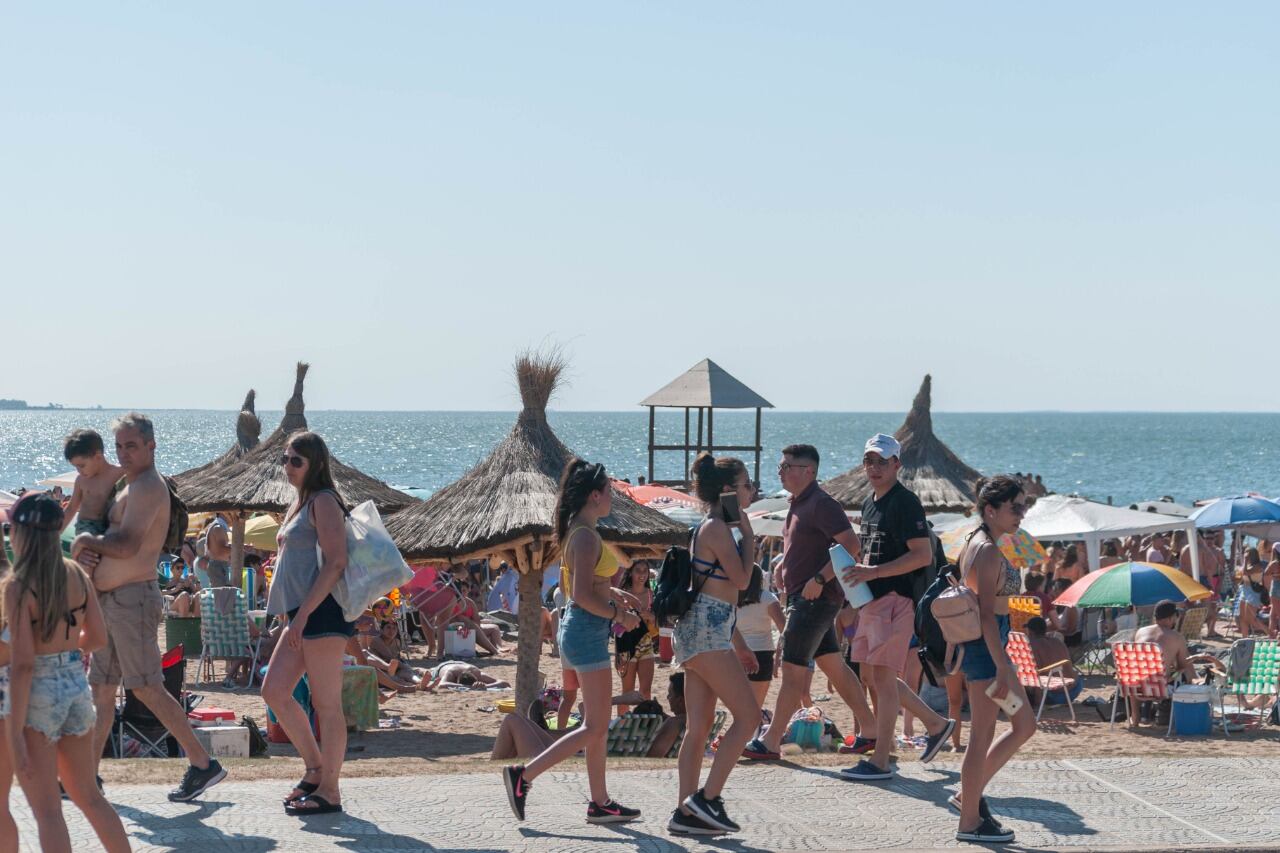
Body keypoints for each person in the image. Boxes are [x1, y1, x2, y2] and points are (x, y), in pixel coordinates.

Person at [72, 413, 226, 802]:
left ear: (151, 446)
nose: (123, 453)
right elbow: (115, 541)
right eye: (119, 446)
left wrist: (87, 542)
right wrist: (92, 552)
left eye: (131, 445)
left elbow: (126, 544)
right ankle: (88, 777)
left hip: (132, 600)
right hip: (113, 600)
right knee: (101, 689)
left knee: (147, 687)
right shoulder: (130, 485)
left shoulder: (146, 487)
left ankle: (203, 764)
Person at [503, 458, 644, 826]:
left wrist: (612, 591)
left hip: (580, 630)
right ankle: (525, 776)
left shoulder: (578, 531)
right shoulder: (584, 535)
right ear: (595, 495)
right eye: (609, 491)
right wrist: (620, 615)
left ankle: (600, 802)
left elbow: (575, 586)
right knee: (594, 726)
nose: (613, 496)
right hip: (586, 631)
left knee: (595, 723)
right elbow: (580, 594)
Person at [4, 492, 130, 852]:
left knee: (47, 811)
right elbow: (98, 638)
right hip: (75, 684)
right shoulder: (75, 572)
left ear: (21, 533)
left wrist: (13, 733)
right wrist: (65, 651)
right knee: (90, 797)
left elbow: (24, 663)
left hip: (38, 693)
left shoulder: (18, 585)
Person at [743, 445, 879, 765]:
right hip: (807, 599)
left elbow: (852, 545)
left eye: (787, 465)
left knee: (792, 670)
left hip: (813, 601)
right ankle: (870, 729)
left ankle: (771, 740)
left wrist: (818, 579)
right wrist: (783, 568)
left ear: (809, 471)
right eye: (781, 464)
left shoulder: (821, 503)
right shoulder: (798, 504)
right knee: (835, 667)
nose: (780, 470)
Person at [840, 435, 956, 782]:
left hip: (896, 599)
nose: (873, 467)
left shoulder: (904, 502)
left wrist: (872, 573)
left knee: (883, 679)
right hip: (872, 599)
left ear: (896, 465)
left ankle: (881, 759)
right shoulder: (871, 502)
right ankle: (935, 725)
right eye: (869, 461)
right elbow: (874, 552)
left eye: (881, 461)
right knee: (873, 676)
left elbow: (921, 554)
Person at [663, 452, 761, 836]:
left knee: (699, 726)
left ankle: (685, 813)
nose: (752, 490)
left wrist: (736, 640)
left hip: (704, 628)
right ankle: (707, 798)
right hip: (707, 630)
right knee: (750, 718)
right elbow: (739, 581)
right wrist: (749, 535)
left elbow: (721, 594)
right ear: (727, 491)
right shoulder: (719, 529)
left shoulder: (710, 526)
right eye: (746, 484)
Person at [260, 431, 356, 816]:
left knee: (326, 705)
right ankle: (315, 770)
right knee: (274, 691)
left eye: (295, 461)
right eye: (284, 459)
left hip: (322, 612)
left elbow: (336, 562)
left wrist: (300, 616)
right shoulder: (300, 503)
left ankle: (330, 790)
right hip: (300, 614)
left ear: (315, 464)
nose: (287, 466)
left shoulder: (325, 501)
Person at [952, 476, 1036, 844]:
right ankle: (969, 821)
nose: (1022, 513)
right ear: (991, 510)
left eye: (1023, 506)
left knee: (1024, 724)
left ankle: (967, 796)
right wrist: (1003, 665)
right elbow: (987, 614)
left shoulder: (980, 541)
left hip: (990, 649)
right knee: (982, 736)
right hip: (988, 654)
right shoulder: (986, 549)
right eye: (1015, 507)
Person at [735, 564, 785, 712]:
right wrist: (779, 654)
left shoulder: (732, 597)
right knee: (755, 707)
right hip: (762, 654)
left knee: (739, 708)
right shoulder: (767, 598)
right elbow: (784, 628)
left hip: (736, 653)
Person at [59, 429, 123, 537]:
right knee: (87, 538)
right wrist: (56, 534)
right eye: (76, 467)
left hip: (110, 525)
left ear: (98, 456)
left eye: (82, 466)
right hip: (86, 526)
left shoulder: (119, 474)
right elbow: (71, 508)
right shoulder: (81, 481)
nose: (79, 471)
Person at [613, 561, 656, 716]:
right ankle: (623, 729)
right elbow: (615, 621)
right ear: (630, 572)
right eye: (638, 570)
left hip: (646, 643)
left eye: (645, 570)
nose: (642, 574)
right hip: (626, 644)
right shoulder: (622, 594)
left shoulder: (651, 594)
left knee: (646, 690)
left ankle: (644, 727)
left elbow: (657, 621)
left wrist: (651, 616)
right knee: (627, 692)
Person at [1023, 617, 1082, 705]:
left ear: (1030, 631)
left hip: (1056, 695)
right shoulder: (1057, 641)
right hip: (1075, 689)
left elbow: (1039, 676)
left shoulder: (1033, 646)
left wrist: (1038, 703)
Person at [1235, 547, 1268, 637]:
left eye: (1247, 553)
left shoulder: (1258, 566)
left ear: (1252, 555)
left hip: (1253, 592)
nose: (1245, 555)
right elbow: (1241, 576)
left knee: (1251, 619)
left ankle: (1269, 632)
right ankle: (1244, 638)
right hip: (1245, 591)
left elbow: (1246, 572)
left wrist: (1245, 560)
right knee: (1242, 618)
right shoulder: (1247, 565)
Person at [426, 661, 509, 690]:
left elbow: (504, 683)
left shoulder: (476, 673)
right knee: (427, 672)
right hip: (443, 666)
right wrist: (465, 686)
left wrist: (486, 686)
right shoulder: (451, 673)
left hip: (462, 664)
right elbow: (441, 685)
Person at [202, 514, 233, 589]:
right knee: (221, 596)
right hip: (218, 566)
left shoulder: (218, 526)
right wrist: (239, 548)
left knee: (222, 596)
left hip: (218, 566)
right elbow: (220, 551)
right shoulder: (218, 527)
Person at [1264, 543, 1280, 638]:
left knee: (1275, 614)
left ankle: (1273, 636)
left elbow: (1265, 574)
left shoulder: (1273, 563)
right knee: (1273, 614)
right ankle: (1272, 635)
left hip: (1275, 588)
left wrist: (1267, 587)